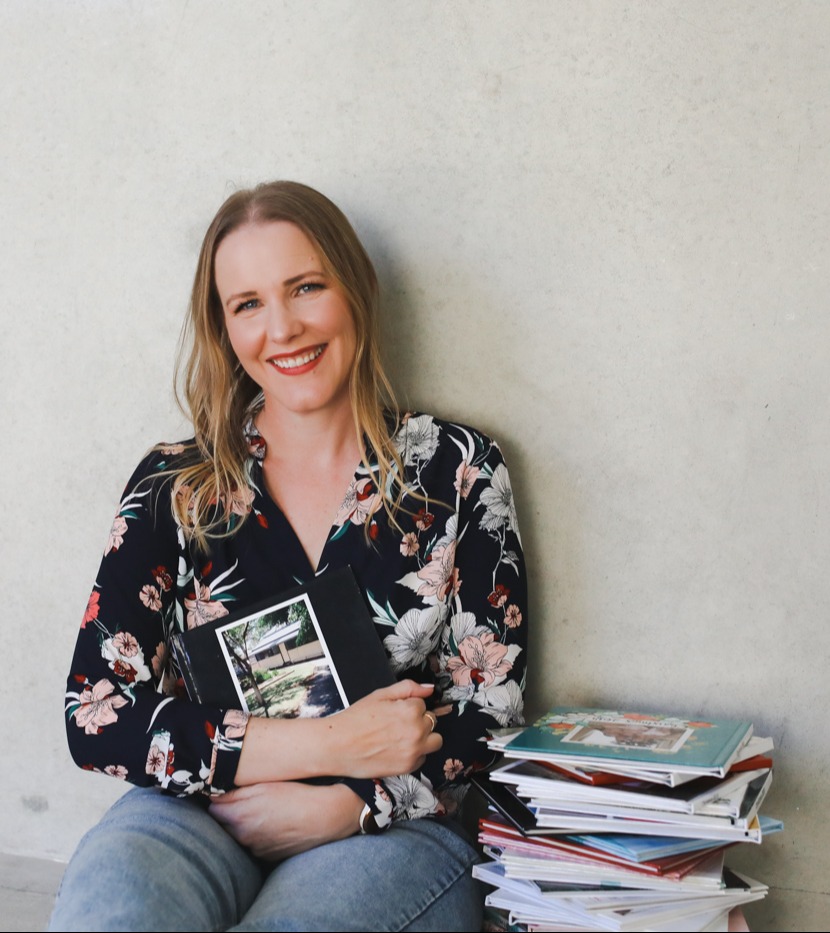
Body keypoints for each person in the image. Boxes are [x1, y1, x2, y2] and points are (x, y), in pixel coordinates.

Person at [52, 181, 528, 932]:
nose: (283, 328)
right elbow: (97, 714)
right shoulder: (172, 485)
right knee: (112, 911)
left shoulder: (458, 468)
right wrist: (327, 743)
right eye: (247, 304)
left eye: (305, 287)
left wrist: (349, 800)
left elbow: (489, 713)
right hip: (202, 814)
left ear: (356, 288)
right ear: (224, 327)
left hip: (390, 831)